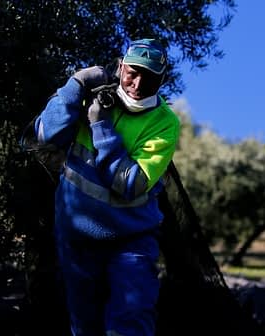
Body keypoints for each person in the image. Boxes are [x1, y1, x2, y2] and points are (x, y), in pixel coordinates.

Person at [33, 38, 180, 336]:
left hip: (131, 240)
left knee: (131, 319)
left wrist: (101, 126)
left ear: (162, 81)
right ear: (120, 67)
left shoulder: (165, 123)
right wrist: (76, 84)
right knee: (84, 324)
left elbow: (129, 184)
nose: (138, 84)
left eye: (150, 78)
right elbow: (42, 136)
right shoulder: (90, 95)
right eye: (133, 73)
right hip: (76, 236)